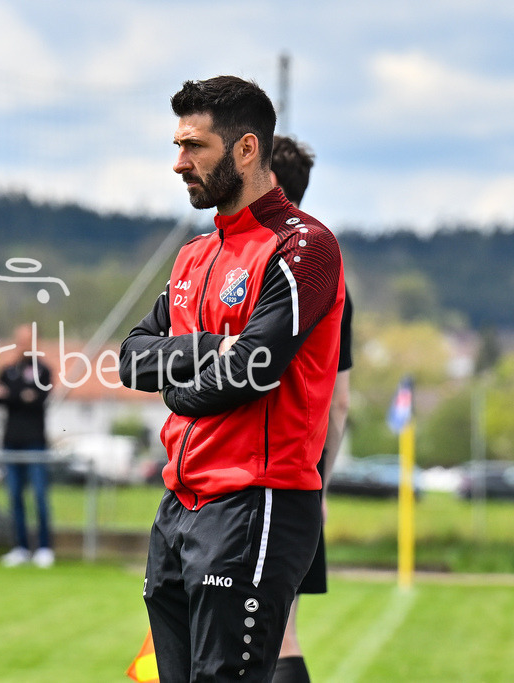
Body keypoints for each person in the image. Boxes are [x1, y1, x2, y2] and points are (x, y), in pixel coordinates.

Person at [118, 76, 345, 682]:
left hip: (256, 502)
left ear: (246, 149)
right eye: (178, 145)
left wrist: (179, 387)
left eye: (195, 147)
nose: (179, 163)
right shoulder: (195, 255)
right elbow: (131, 357)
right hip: (179, 504)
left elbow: (250, 373)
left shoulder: (305, 248)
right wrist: (212, 348)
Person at [270, 135, 353, 683]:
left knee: (229, 637)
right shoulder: (331, 271)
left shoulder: (243, 263)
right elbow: (340, 404)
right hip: (300, 472)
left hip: (247, 474)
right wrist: (319, 480)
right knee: (282, 632)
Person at [0, 324, 55, 568]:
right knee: (14, 497)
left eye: (27, 341)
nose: (23, 345)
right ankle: (20, 547)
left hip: (35, 443)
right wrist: (18, 395)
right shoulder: (8, 371)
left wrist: (11, 395)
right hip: (11, 442)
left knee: (39, 496)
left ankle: (44, 547)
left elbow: (37, 398)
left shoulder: (43, 371)